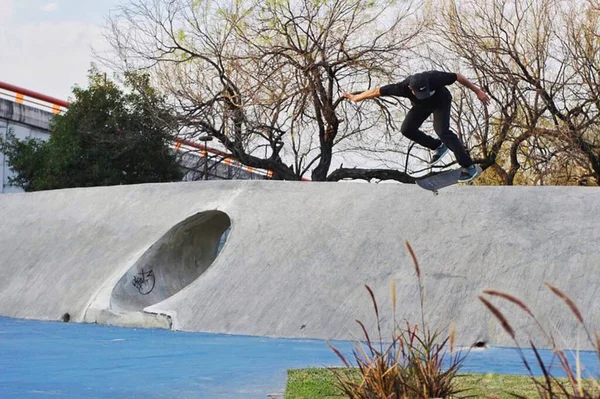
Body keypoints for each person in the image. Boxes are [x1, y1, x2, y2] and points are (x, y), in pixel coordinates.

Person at [343, 70, 490, 182]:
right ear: (410, 89)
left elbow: (458, 76)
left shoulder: (436, 77)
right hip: (421, 107)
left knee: (442, 131)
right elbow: (376, 91)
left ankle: (469, 167)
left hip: (441, 102)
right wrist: (357, 97)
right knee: (407, 129)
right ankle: (438, 146)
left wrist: (477, 91)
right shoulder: (401, 88)